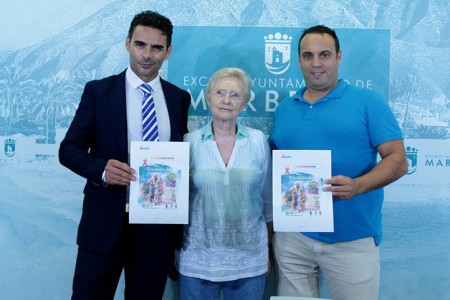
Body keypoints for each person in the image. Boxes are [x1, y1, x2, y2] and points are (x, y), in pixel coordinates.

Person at [269, 25, 408, 300]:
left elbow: (399, 160)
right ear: (299, 60)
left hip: (351, 239)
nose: (316, 63)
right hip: (292, 237)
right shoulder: (285, 108)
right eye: (308, 56)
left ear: (339, 57)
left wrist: (359, 185)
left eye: (324, 55)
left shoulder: (368, 101)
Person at [58, 10, 191, 299]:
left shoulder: (179, 98)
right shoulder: (98, 92)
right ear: (127, 43)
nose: (147, 54)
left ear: (167, 52)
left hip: (157, 232)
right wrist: (102, 170)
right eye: (140, 45)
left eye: (157, 48)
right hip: (104, 225)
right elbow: (68, 150)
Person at [175, 67, 273, 300]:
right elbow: (178, 203)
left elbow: (267, 199)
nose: (226, 100)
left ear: (244, 103)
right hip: (197, 258)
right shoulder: (189, 142)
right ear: (208, 98)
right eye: (219, 92)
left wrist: (270, 249)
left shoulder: (258, 141)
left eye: (235, 95)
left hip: (249, 259)